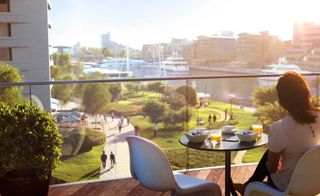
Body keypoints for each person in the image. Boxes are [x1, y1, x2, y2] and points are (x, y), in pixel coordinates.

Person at [233, 71, 320, 195]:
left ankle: (248, 186)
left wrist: (273, 161)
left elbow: (273, 169)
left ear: (282, 100)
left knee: (272, 155)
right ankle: (247, 185)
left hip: (289, 185)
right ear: (306, 93)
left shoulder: (280, 127)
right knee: (274, 151)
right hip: (314, 182)